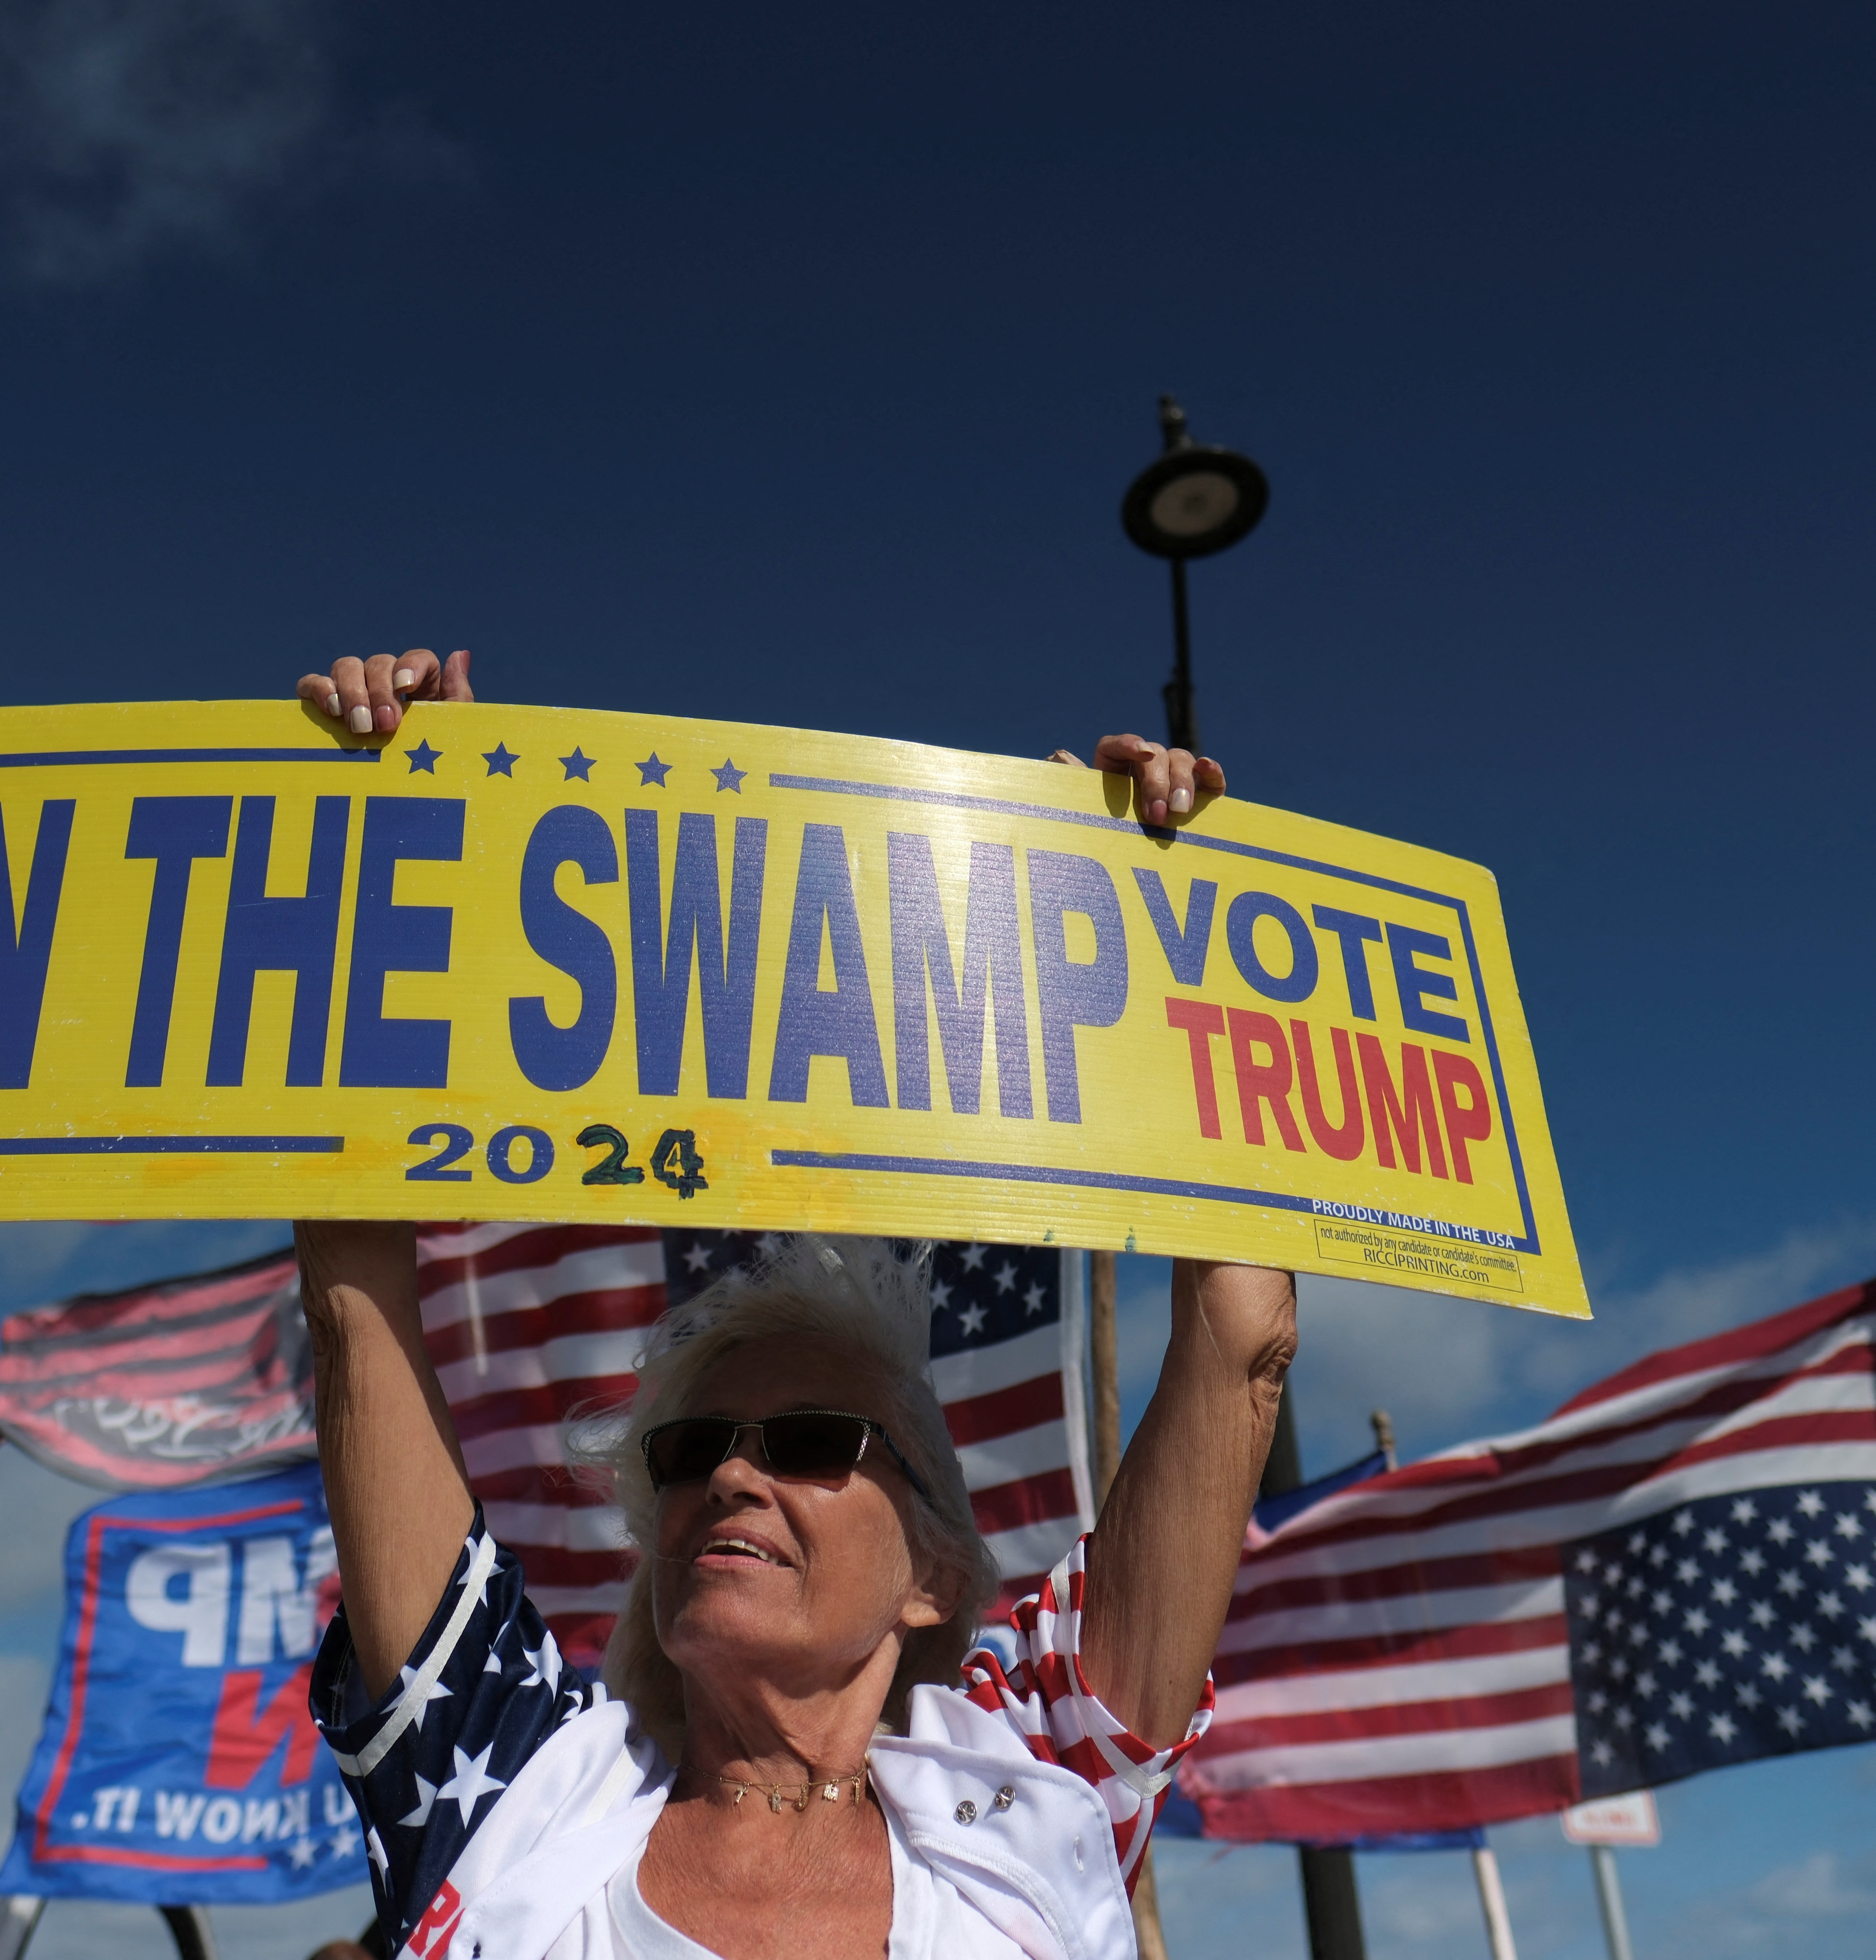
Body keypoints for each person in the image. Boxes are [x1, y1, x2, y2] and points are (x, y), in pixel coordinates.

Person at [290, 649, 1286, 1960]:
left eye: (812, 1442)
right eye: (693, 1452)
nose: (735, 1478)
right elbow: (357, 1314)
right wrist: (432, 839)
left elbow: (1240, 1345)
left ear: (935, 1576)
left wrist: (1144, 915)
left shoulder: (1032, 1795)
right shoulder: (522, 1795)